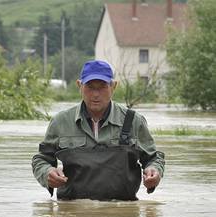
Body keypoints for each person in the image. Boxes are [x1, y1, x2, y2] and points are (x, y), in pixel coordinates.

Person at [32, 60, 165, 201]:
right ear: (79, 86)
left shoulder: (133, 120)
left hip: (122, 213)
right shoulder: (61, 121)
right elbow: (41, 160)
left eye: (102, 87)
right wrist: (47, 173)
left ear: (113, 86)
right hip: (71, 214)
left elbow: (153, 158)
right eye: (90, 87)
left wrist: (154, 171)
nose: (95, 94)